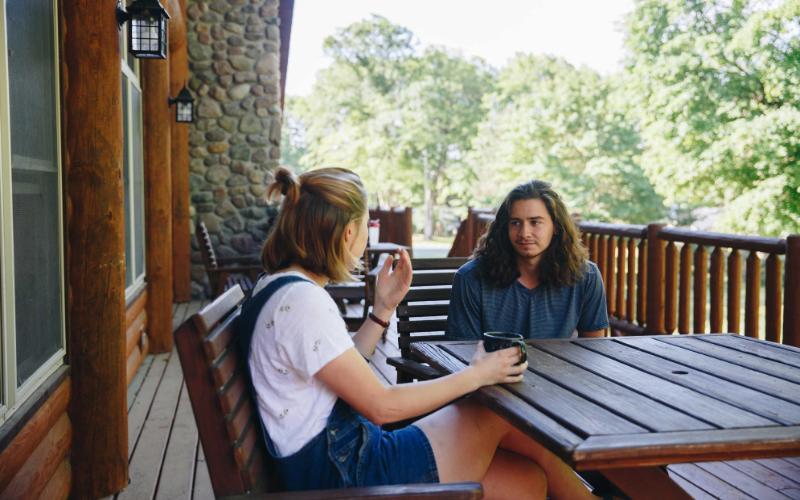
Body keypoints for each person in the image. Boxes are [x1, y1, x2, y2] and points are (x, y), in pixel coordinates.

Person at [243, 167, 596, 499]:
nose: (366, 238)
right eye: (367, 226)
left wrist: (382, 310)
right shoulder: (302, 301)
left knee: (525, 482)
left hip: (344, 455)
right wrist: (478, 375)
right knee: (497, 414)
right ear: (349, 232)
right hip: (347, 471)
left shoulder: (281, 288)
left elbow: (344, 365)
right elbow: (382, 406)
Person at [447, 180, 609, 340]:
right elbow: (463, 353)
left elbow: (594, 350)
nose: (524, 233)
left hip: (559, 366)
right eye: (515, 223)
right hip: (491, 366)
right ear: (505, 228)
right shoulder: (471, 278)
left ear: (556, 227)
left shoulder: (587, 276)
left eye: (535, 222)